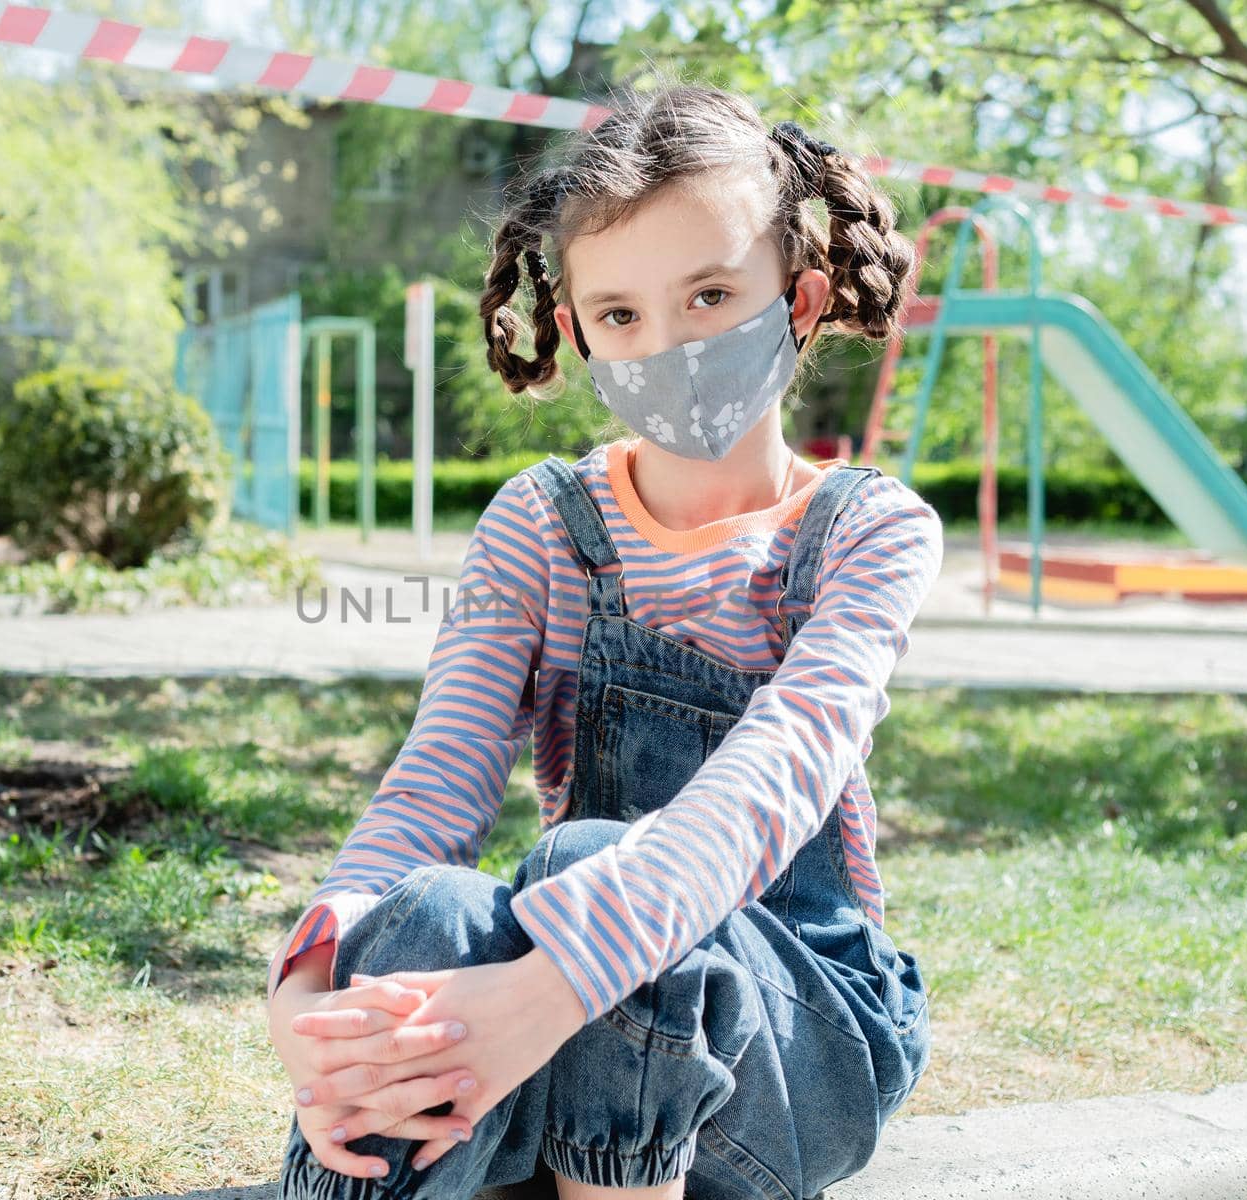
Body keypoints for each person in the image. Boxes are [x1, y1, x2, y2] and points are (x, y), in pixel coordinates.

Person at [264, 79, 943, 1200]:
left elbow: (773, 781)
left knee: (594, 865)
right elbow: (435, 783)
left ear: (802, 299)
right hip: (568, 1041)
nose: (666, 343)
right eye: (622, 315)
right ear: (575, 332)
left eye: (713, 295)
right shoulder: (540, 524)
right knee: (426, 908)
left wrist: (553, 985)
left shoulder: (867, 531)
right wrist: (311, 974)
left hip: (795, 1047)